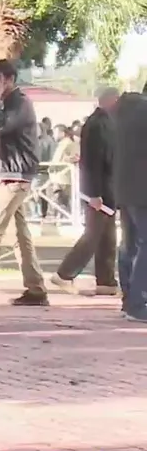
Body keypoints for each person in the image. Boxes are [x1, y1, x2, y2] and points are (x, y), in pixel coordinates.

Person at [0, 59, 48, 306]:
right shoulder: (7, 103)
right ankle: (36, 288)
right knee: (19, 234)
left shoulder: (20, 103)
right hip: (8, 174)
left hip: (16, 176)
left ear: (9, 79)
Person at [51, 87, 120, 296]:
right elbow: (93, 161)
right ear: (111, 99)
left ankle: (106, 281)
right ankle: (64, 274)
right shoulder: (97, 124)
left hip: (107, 188)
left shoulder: (105, 122)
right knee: (92, 236)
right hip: (99, 189)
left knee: (107, 237)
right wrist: (94, 193)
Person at [115, 84, 147, 322]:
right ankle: (136, 302)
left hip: (125, 188)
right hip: (142, 189)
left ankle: (129, 299)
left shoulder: (124, 113)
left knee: (130, 244)